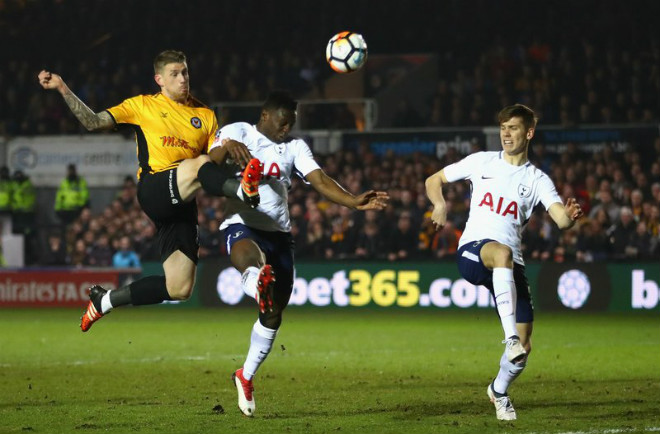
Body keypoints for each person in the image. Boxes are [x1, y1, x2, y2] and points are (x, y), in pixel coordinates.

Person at [38, 50, 261, 332]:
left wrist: (229, 152)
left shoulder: (205, 115)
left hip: (183, 200)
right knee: (198, 165)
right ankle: (242, 191)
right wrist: (61, 87)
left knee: (179, 287)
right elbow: (92, 121)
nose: (183, 79)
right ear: (159, 79)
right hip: (154, 188)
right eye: (175, 74)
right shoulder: (142, 106)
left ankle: (105, 301)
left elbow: (213, 165)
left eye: (185, 73)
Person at [208, 90, 389, 417]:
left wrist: (352, 201)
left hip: (280, 234)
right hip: (243, 222)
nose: (286, 128)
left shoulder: (294, 148)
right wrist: (224, 147)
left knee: (273, 315)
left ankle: (245, 375)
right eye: (282, 122)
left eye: (290, 123)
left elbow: (319, 179)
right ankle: (255, 280)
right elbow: (210, 166)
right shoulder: (238, 131)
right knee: (252, 262)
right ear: (265, 115)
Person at [425, 104, 583, 421]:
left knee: (524, 348)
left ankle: (498, 391)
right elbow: (434, 180)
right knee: (502, 255)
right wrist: (439, 205)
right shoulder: (481, 161)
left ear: (529, 133)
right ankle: (507, 338)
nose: (506, 134)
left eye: (513, 128)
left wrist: (569, 217)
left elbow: (560, 221)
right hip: (473, 250)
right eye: (503, 128)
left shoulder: (537, 179)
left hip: (510, 265)